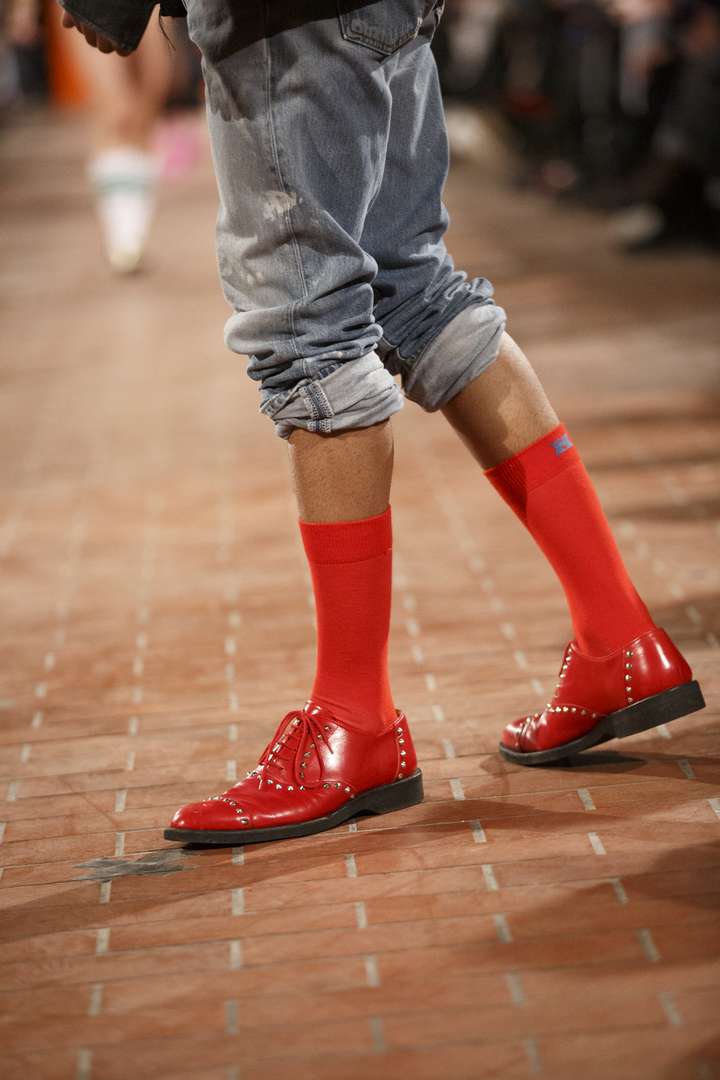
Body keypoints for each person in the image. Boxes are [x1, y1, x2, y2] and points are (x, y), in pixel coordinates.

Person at [60, 0, 705, 848]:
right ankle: (617, 633)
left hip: (281, 19)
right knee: (420, 297)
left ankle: (353, 724)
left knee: (307, 328)